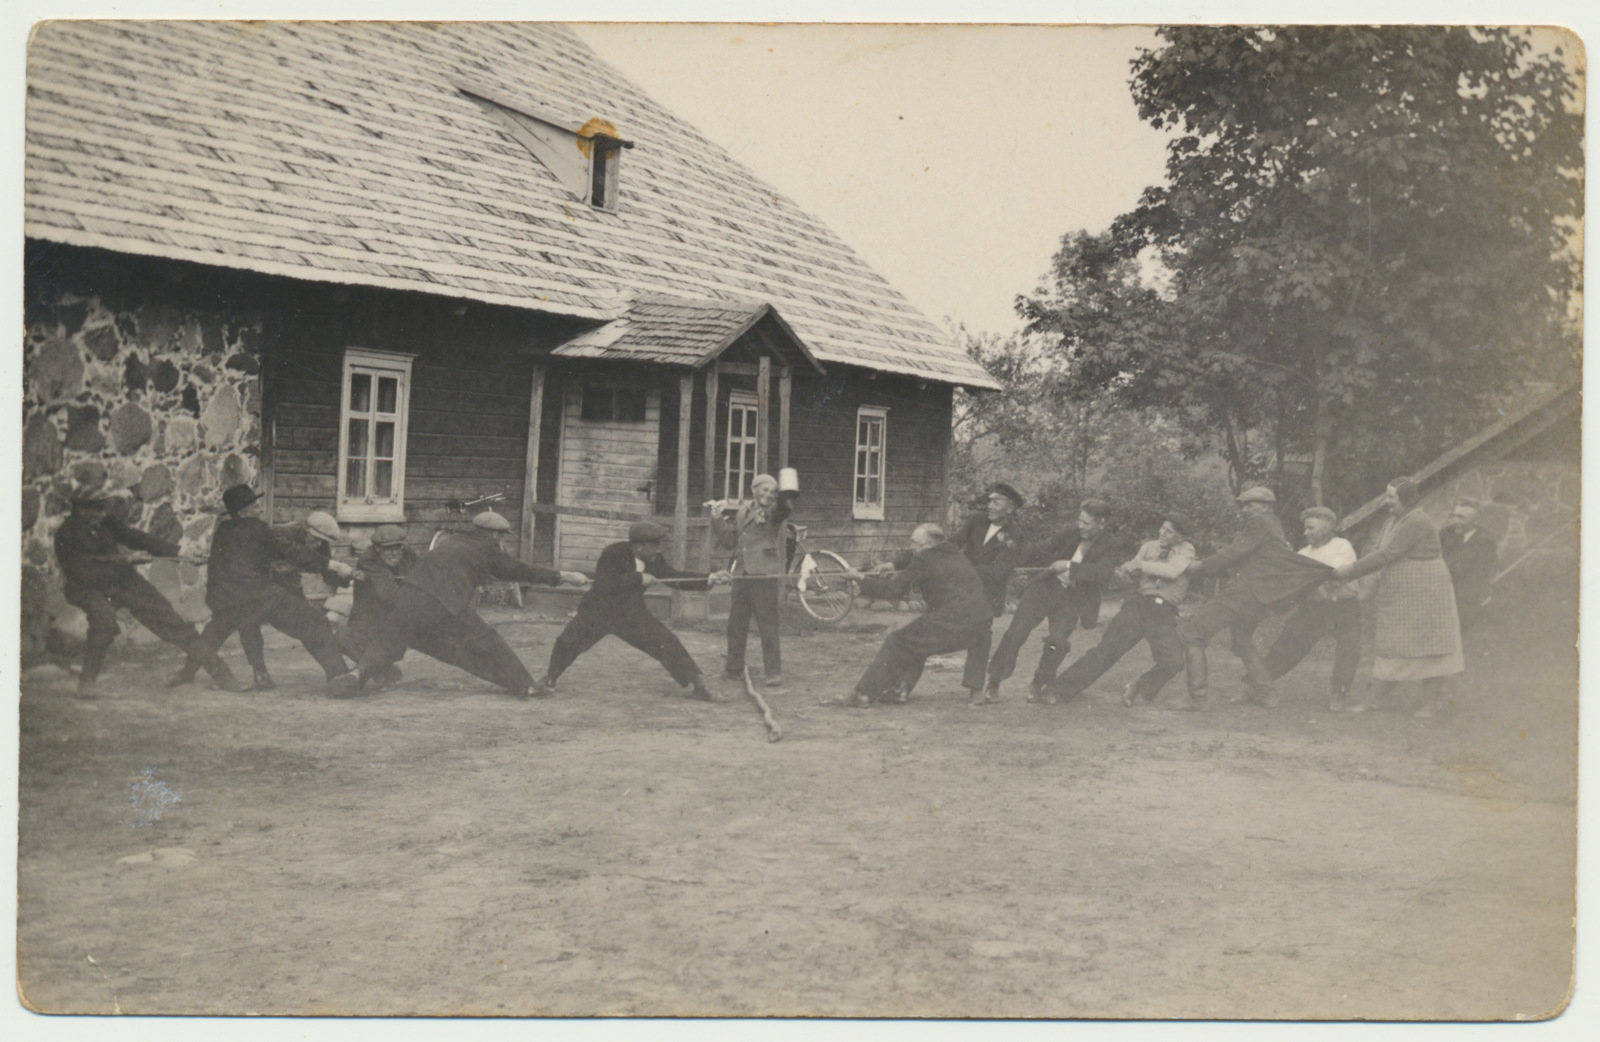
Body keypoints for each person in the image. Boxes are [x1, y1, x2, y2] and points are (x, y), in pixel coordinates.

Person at [354, 510, 588, 698]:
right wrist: (563, 576)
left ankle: (358, 674)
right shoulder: (487, 549)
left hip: (409, 594)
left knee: (391, 637)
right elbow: (520, 570)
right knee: (489, 642)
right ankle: (526, 685)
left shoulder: (453, 540)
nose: (501, 539)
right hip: (446, 602)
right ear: (493, 534)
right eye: (501, 535)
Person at [173, 485, 360, 695]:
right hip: (260, 594)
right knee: (314, 624)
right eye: (255, 505)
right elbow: (288, 550)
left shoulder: (224, 530)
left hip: (233, 596)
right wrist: (334, 565)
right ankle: (339, 677)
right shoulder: (258, 528)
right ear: (243, 511)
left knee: (216, 631)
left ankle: (190, 673)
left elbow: (219, 566)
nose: (260, 509)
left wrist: (347, 575)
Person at [53, 490, 238, 696]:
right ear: (81, 510)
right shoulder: (65, 535)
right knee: (103, 622)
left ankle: (221, 673)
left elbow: (136, 538)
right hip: (88, 587)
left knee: (170, 621)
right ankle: (87, 682)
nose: (103, 513)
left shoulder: (107, 522)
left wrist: (179, 552)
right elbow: (82, 572)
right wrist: (127, 561)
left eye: (103, 508)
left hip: (123, 580)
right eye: (97, 509)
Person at [1170, 487, 1333, 711]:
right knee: (1243, 641)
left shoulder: (1259, 523)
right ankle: (1267, 694)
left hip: (1242, 592)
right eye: (1243, 505)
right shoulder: (1274, 525)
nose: (1244, 510)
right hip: (1258, 597)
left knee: (1193, 633)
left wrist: (1198, 567)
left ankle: (1196, 698)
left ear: (1265, 506)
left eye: (1250, 505)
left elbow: (1232, 554)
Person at [541, 521, 728, 700]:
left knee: (667, 642)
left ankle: (699, 686)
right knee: (567, 642)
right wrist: (638, 578)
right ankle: (549, 679)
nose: (658, 549)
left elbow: (674, 577)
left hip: (631, 614)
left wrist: (710, 578)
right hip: (598, 611)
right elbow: (606, 583)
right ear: (639, 547)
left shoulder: (654, 558)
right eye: (654, 545)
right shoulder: (612, 553)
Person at [1331, 478, 1463, 718]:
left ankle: (1431, 704)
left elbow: (1386, 554)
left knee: (1428, 646)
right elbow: (1378, 552)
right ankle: (1374, 700)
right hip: (1403, 591)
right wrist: (1361, 581)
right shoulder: (1394, 519)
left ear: (1406, 498)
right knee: (1393, 644)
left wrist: (1350, 570)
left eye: (1391, 497)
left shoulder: (1417, 520)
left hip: (1426, 591)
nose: (1387, 502)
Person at [1047, 512, 1196, 707]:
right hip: (1139, 606)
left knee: (1174, 662)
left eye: (1169, 532)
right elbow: (1131, 578)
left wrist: (1140, 565)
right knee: (1107, 651)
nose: (1162, 533)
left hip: (1163, 613)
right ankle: (1059, 689)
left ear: (1181, 537)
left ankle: (1139, 687)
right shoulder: (1148, 547)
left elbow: (1172, 571)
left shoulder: (1186, 550)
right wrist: (1123, 574)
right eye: (1162, 528)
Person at [836, 523, 993, 707]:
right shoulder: (952, 550)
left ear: (928, 544)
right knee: (917, 639)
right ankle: (902, 690)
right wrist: (892, 564)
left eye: (914, 542)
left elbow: (892, 590)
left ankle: (862, 694)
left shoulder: (923, 559)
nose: (911, 546)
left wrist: (860, 578)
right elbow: (912, 554)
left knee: (897, 641)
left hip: (952, 619)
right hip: (982, 619)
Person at [981, 498, 1120, 705]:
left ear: (1101, 523)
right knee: (1016, 632)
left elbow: (1104, 573)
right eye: (1080, 521)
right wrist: (1012, 554)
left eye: (1086, 523)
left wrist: (1069, 566)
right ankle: (994, 681)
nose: (1080, 526)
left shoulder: (1111, 544)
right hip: (1045, 588)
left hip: (1072, 599)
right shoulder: (1072, 532)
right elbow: (1044, 547)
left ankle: (1039, 682)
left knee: (1057, 642)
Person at [1260, 507, 1362, 711]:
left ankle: (1339, 694)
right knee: (1287, 643)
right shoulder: (1304, 552)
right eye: (1305, 528)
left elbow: (1331, 574)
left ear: (1326, 529)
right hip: (1314, 606)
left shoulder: (1341, 546)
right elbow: (1291, 578)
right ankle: (1258, 686)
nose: (1305, 533)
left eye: (1310, 528)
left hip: (1343, 606)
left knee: (1348, 648)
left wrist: (1300, 569)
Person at [710, 473, 798, 688]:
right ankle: (734, 670)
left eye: (772, 492)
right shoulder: (741, 513)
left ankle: (773, 672)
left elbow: (783, 510)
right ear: (754, 490)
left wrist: (785, 496)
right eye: (765, 490)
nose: (768, 495)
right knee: (736, 625)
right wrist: (717, 518)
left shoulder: (773, 512)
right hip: (741, 575)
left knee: (767, 624)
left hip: (763, 576)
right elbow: (729, 542)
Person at [338, 523, 415, 689]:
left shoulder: (407, 553)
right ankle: (380, 670)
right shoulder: (368, 560)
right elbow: (389, 594)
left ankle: (371, 671)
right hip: (367, 616)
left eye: (397, 547)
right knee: (348, 638)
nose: (394, 552)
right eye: (388, 549)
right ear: (378, 548)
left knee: (394, 638)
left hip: (393, 614)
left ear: (403, 546)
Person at [950, 482, 1027, 618]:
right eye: (990, 502)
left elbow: (997, 571)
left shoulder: (1015, 534)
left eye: (996, 503)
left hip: (987, 598)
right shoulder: (977, 520)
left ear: (1010, 508)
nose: (989, 506)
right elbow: (954, 542)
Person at [1440, 502, 1496, 638]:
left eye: (1461, 518)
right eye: (1454, 516)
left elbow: (1475, 575)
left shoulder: (1485, 541)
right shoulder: (1446, 534)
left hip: (1469, 598)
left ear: (1474, 521)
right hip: (1444, 591)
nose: (1455, 522)